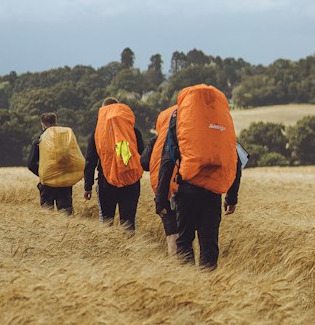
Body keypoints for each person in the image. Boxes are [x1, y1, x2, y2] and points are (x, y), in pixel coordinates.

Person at [154, 84, 242, 269]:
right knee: (209, 243)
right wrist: (232, 196)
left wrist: (161, 198)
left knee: (185, 240)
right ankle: (209, 286)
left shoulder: (181, 118)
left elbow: (168, 158)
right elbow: (234, 158)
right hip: (213, 192)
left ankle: (189, 286)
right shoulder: (221, 119)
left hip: (187, 189)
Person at [84, 98, 144, 230]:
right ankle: (129, 250)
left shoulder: (96, 134)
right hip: (131, 182)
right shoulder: (134, 131)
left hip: (106, 183)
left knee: (106, 223)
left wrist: (88, 186)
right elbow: (142, 157)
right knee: (128, 224)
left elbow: (90, 161)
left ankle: (110, 250)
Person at [27, 112, 85, 213]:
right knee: (66, 213)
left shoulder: (39, 140)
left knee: (47, 214)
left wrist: (43, 174)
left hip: (47, 184)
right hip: (65, 183)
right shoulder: (65, 138)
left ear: (43, 124)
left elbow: (31, 164)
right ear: (55, 122)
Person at [142, 104, 179, 255]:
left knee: (172, 236)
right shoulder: (194, 136)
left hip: (165, 192)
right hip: (189, 188)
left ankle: (177, 270)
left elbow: (144, 163)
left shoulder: (157, 140)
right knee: (188, 235)